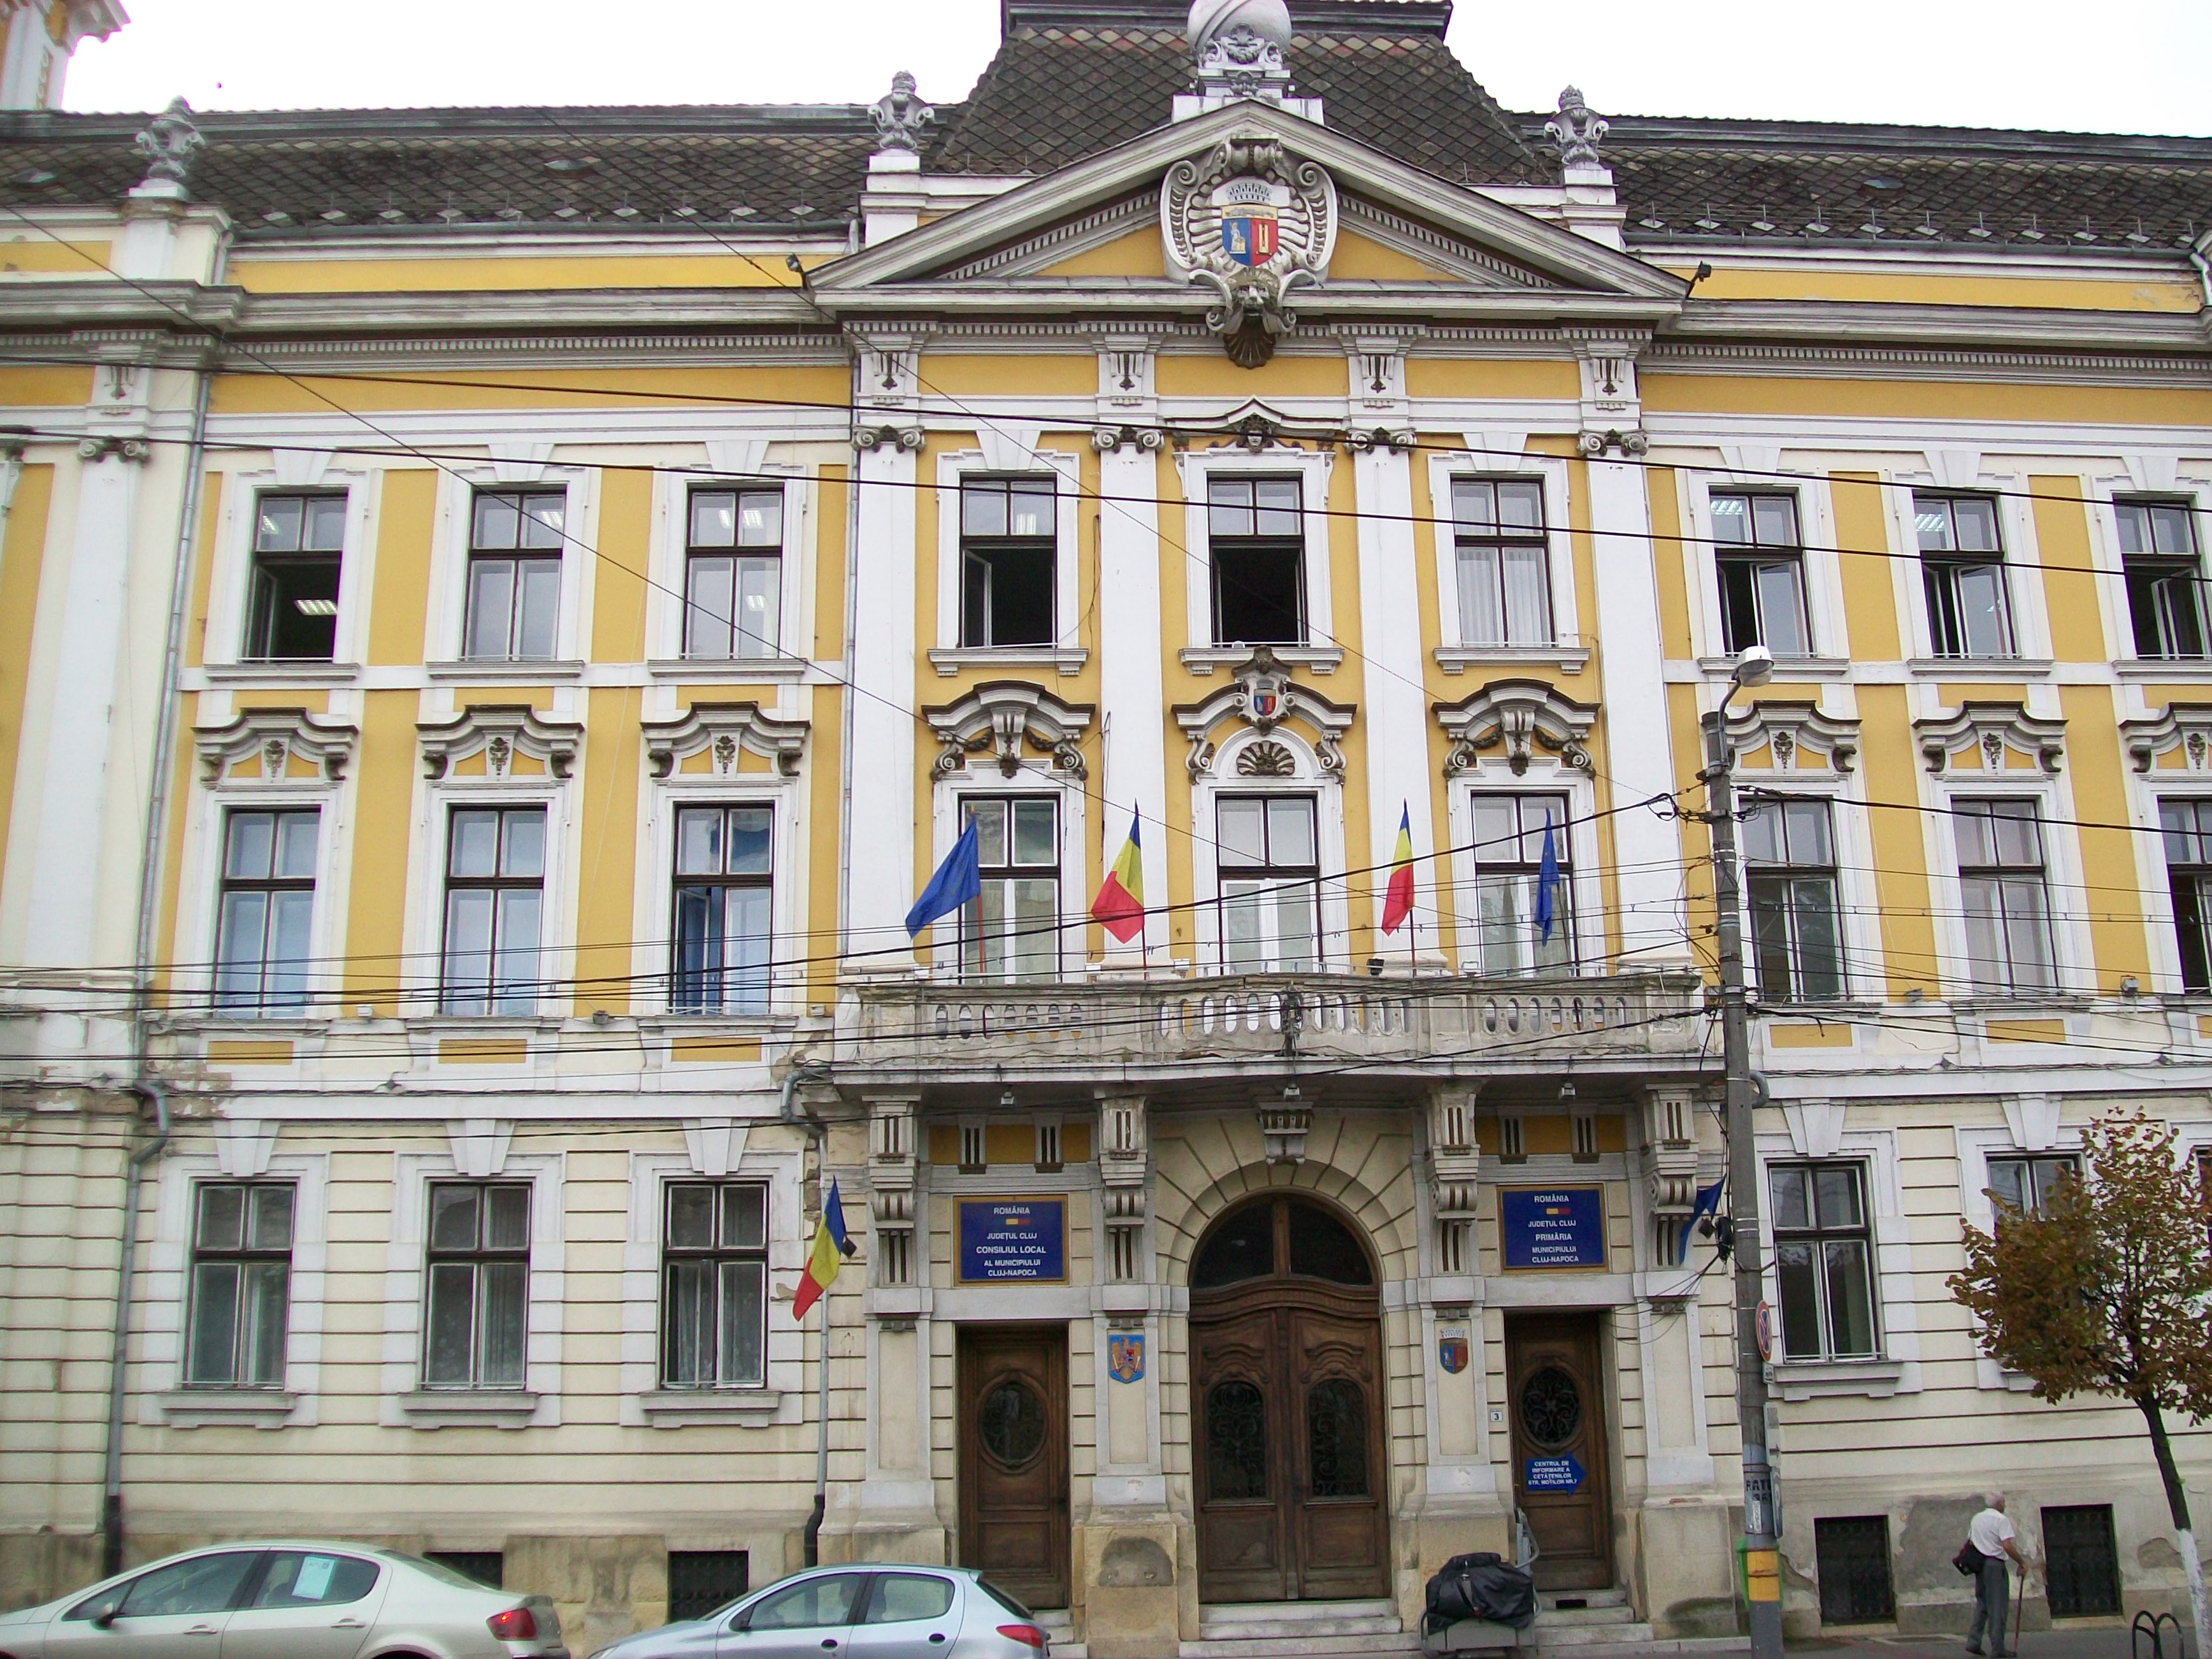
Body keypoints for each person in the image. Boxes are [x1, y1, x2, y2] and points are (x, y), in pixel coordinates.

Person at [1965, 1491, 2030, 1657]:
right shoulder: (2001, 1520)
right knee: (1998, 1606)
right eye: (2004, 1502)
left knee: (1983, 1603)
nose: (2005, 1505)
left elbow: (1971, 1542)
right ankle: (1998, 1648)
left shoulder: (1977, 1518)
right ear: (1999, 1504)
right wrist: (2021, 1562)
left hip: (1979, 1564)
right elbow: (2007, 1546)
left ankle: (1974, 1641)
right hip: (1994, 1565)